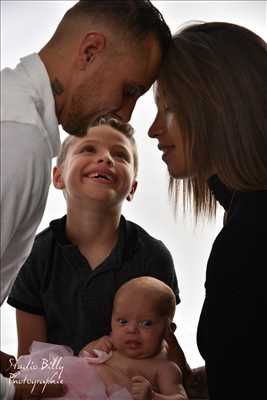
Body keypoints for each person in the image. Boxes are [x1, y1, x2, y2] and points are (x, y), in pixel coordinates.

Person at [1, 1, 171, 397]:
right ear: (90, 50)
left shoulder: (17, 122)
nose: (128, 114)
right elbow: (31, 368)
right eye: (130, 90)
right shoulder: (19, 141)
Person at [148, 21, 267, 399]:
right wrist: (193, 381)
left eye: (167, 109)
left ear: (215, 106)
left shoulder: (249, 237)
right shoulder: (244, 212)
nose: (152, 129)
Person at [7, 117, 180, 359]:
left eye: (120, 155)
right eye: (88, 149)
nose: (106, 158)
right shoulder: (34, 255)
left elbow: (162, 354)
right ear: (58, 177)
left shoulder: (152, 257)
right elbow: (31, 361)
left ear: (132, 188)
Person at [13, 277, 188, 400]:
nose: (132, 329)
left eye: (146, 323)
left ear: (168, 330)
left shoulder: (165, 368)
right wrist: (94, 347)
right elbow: (81, 358)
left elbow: (180, 397)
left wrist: (153, 397)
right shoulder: (110, 345)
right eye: (123, 321)